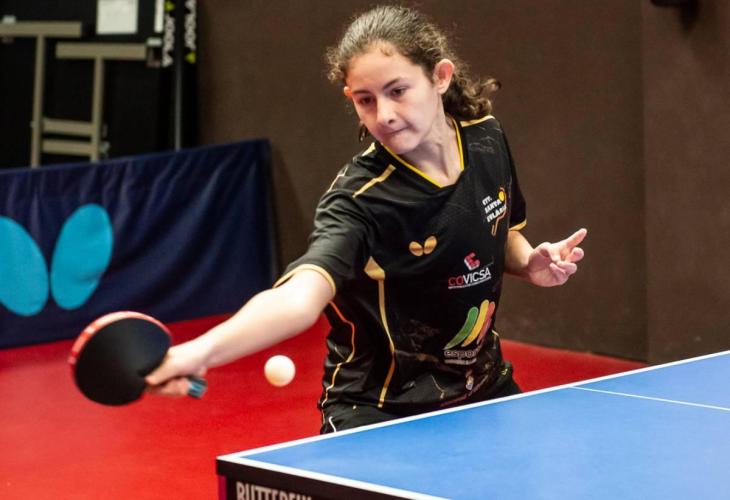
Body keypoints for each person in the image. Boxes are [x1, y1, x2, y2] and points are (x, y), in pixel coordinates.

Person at [146, 5, 587, 433]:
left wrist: (528, 261)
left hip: (483, 388)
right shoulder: (360, 200)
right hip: (381, 410)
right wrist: (198, 353)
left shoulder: (486, 138)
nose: (384, 115)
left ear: (440, 76)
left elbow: (500, 231)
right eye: (365, 100)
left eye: (398, 91)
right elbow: (298, 299)